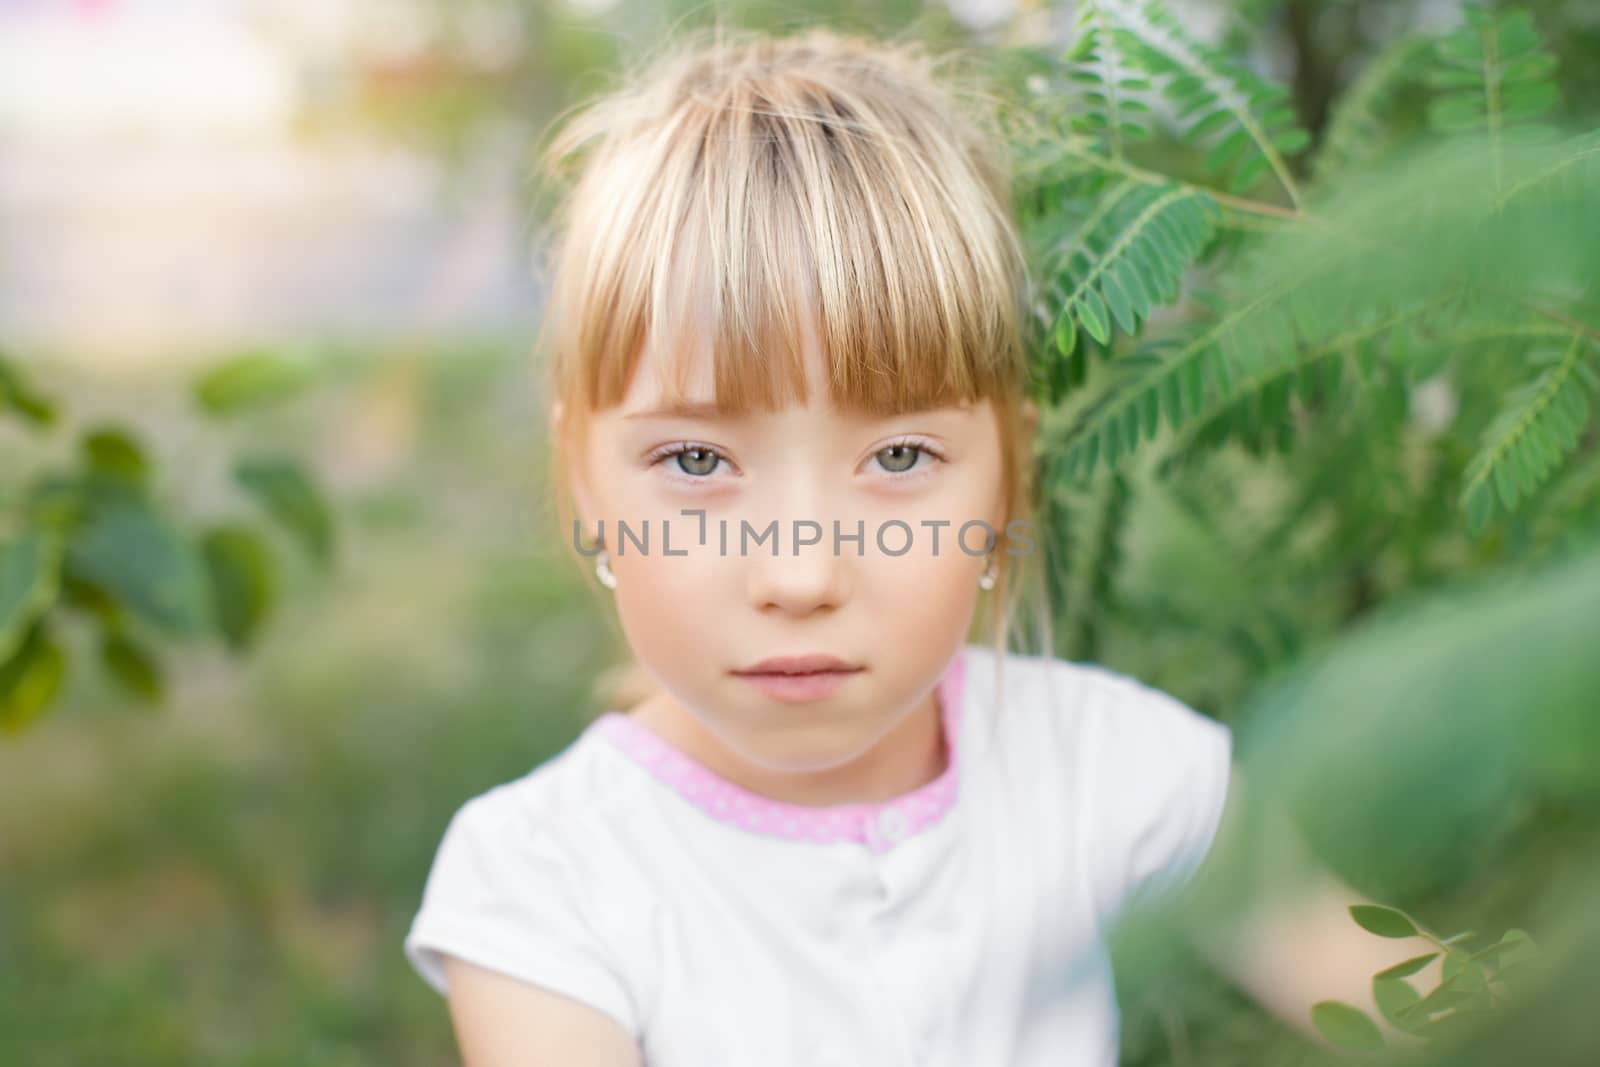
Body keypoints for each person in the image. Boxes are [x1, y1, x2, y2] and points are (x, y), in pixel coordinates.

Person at [403, 21, 1438, 1067]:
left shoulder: (1114, 770)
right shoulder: (540, 883)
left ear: (1005, 475)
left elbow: (1459, 1020)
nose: (800, 574)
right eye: (697, 461)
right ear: (584, 476)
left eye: (897, 456)